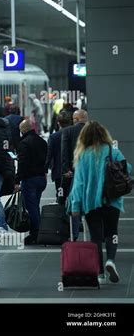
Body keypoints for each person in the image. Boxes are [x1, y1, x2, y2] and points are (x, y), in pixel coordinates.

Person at [68, 121, 132, 285]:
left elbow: (79, 184)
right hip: (112, 200)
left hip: (91, 202)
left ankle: (101, 274)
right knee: (112, 232)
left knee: (96, 237)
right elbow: (128, 169)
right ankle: (110, 260)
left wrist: (75, 206)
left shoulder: (83, 155)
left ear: (85, 136)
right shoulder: (113, 150)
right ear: (104, 134)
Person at [15, 120, 48, 244]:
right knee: (35, 205)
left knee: (31, 208)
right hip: (41, 178)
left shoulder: (24, 143)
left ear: (23, 130)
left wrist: (17, 180)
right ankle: (35, 232)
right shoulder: (42, 141)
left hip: (30, 180)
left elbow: (22, 164)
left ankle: (37, 234)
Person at [62, 109, 88, 240]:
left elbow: (64, 152)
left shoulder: (68, 131)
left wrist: (67, 170)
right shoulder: (94, 132)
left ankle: (74, 235)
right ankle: (97, 234)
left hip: (76, 171)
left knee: (74, 201)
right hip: (92, 172)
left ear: (76, 119)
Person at [45, 111, 72, 199]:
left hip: (58, 171)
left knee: (61, 196)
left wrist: (45, 170)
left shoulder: (54, 137)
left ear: (58, 123)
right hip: (73, 170)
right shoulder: (75, 135)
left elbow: (49, 155)